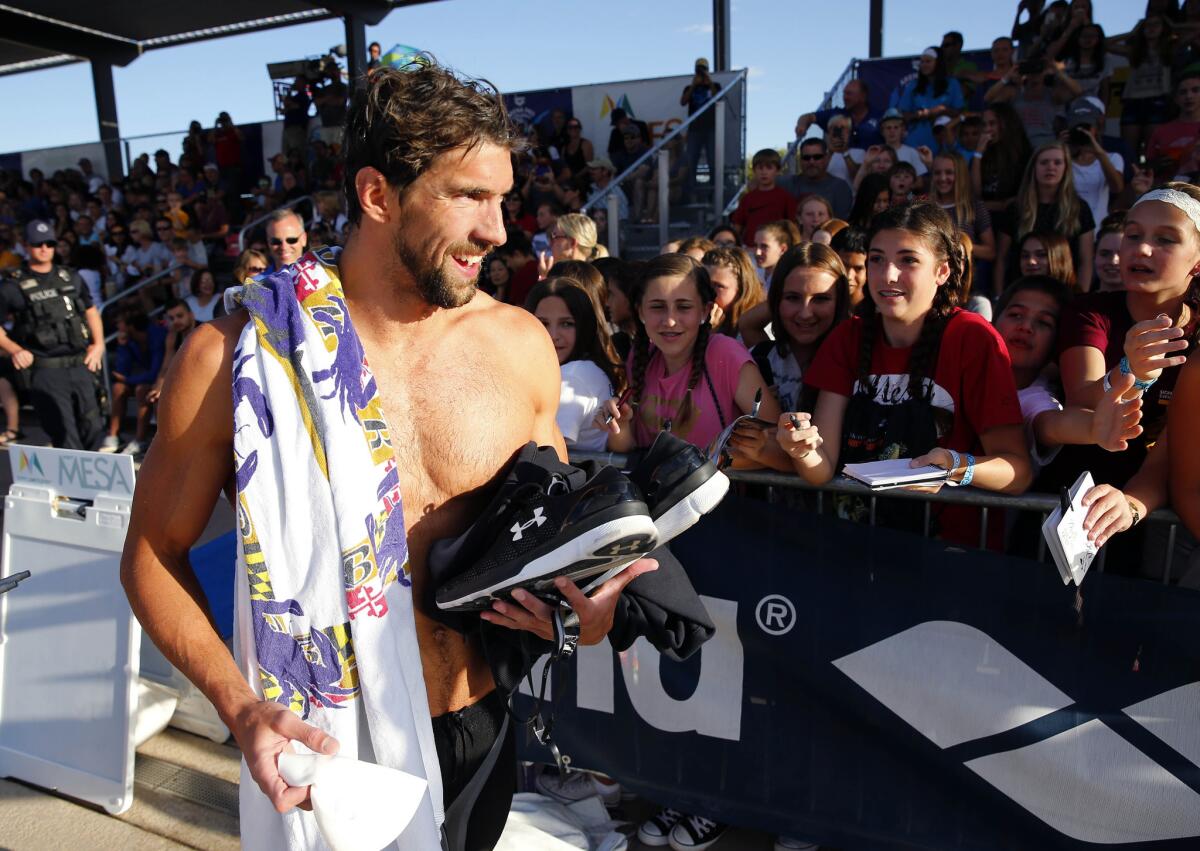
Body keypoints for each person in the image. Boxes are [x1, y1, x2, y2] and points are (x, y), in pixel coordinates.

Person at [120, 61, 655, 851]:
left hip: (477, 732)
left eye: (501, 198)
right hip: (319, 741)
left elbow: (543, 542)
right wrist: (240, 707)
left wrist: (587, 614)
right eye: (470, 196)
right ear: (377, 195)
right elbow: (151, 555)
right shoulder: (235, 360)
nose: (498, 229)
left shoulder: (518, 346)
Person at [775, 202, 1032, 540]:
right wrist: (802, 449)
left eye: (908, 260)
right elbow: (822, 468)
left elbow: (1018, 471)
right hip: (856, 547)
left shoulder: (974, 338)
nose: (888, 274)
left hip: (952, 557)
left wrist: (956, 466)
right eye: (877, 259)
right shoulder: (847, 337)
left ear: (941, 271)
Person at [993, 275, 1142, 478]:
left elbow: (1053, 424)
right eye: (1016, 315)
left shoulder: (1036, 398)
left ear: (1057, 345)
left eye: (1044, 322)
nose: (1026, 327)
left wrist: (1094, 427)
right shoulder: (960, 365)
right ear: (993, 322)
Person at [0, 220, 106, 450]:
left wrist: (98, 345)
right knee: (64, 432)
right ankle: (74, 485)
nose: (44, 249)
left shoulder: (70, 277)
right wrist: (15, 350)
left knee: (94, 426)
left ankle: (89, 482)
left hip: (80, 363)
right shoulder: (13, 286)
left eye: (49, 243)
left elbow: (90, 310)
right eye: (38, 244)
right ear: (26, 246)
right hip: (46, 368)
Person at [739, 243, 852, 413]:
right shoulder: (758, 360)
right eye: (793, 298)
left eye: (820, 299)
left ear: (840, 302)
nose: (805, 313)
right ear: (776, 300)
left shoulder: (860, 363)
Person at [527, 277, 623, 452]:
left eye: (566, 324)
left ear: (583, 328)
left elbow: (544, 452)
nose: (553, 335)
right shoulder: (583, 368)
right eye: (543, 323)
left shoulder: (572, 375)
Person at [995, 141, 1095, 294]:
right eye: (1044, 162)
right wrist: (998, 296)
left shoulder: (1079, 208)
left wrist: (1082, 298)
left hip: (1065, 291)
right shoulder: (1015, 209)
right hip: (1021, 289)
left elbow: (1085, 261)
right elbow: (1002, 259)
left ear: (1066, 168)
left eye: (1057, 162)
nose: (1051, 167)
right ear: (1033, 167)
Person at [1109, 15, 1176, 156]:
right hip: (1133, 100)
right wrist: (1132, 32)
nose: (1151, 28)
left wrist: (1173, 26)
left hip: (1158, 99)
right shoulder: (1134, 51)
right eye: (1147, 26)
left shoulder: (1170, 48)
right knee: (1128, 150)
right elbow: (1103, 44)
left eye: (1156, 24)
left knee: (1153, 149)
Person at [105, 309, 167, 456]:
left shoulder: (157, 336)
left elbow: (154, 373)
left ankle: (140, 440)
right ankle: (113, 436)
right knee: (118, 388)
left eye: (119, 323)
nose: (117, 327)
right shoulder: (130, 339)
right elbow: (122, 370)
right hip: (146, 378)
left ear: (130, 326)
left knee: (141, 390)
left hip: (162, 379)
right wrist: (123, 346)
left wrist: (127, 380)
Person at [1064, 98, 1124, 227]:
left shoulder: (1112, 158)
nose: (1082, 132)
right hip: (1067, 228)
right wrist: (1060, 149)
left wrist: (1098, 152)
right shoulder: (1061, 158)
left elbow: (1117, 188)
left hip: (1097, 229)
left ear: (1096, 127)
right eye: (1077, 127)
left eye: (1086, 127)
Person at [927, 151, 996, 261]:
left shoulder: (974, 206)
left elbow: (990, 251)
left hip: (964, 275)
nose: (943, 178)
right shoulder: (924, 206)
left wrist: (959, 246)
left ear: (960, 175)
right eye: (937, 173)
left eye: (949, 172)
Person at [895, 47, 965, 152]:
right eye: (922, 62)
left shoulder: (952, 84)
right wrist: (926, 114)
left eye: (928, 61)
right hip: (915, 142)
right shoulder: (913, 85)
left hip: (944, 141)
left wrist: (943, 110)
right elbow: (903, 116)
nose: (924, 65)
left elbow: (960, 113)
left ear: (939, 63)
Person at [730, 149, 798, 247]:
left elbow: (792, 228)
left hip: (777, 249)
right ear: (754, 170)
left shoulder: (786, 197)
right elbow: (737, 227)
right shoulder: (747, 198)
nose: (764, 172)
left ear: (778, 171)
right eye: (760, 168)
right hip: (750, 248)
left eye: (769, 168)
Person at [794, 79, 882, 149]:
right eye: (844, 93)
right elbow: (808, 117)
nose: (845, 97)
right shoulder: (836, 114)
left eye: (849, 94)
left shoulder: (879, 117)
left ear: (863, 96)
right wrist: (802, 125)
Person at [680, 57, 721, 203]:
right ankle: (692, 194)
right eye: (699, 70)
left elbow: (719, 98)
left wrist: (709, 83)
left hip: (711, 129)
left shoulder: (715, 85)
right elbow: (683, 102)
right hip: (694, 130)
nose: (701, 73)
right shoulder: (689, 87)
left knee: (713, 161)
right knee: (691, 161)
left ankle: (713, 194)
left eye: (703, 69)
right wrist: (693, 86)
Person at [1146, 70, 1200, 177]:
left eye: (1195, 90)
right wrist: (1157, 166)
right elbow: (1148, 169)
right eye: (1183, 92)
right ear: (1175, 98)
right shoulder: (1161, 132)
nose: (1189, 96)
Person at [702, 246, 765, 339]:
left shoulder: (759, 324)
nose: (707, 291)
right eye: (703, 283)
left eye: (718, 286)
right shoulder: (697, 316)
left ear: (742, 289)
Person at [784, 138, 854, 221]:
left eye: (817, 157)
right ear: (800, 160)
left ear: (826, 158)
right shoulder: (787, 184)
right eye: (806, 157)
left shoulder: (840, 187)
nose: (811, 162)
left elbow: (840, 225)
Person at [148, 299, 198, 405]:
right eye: (171, 318)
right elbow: (166, 367)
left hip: (200, 381)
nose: (175, 321)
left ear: (191, 315)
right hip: (182, 381)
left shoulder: (204, 331)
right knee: (155, 397)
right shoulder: (172, 337)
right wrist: (158, 388)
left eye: (180, 316)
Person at [753, 220, 801, 288]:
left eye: (764, 246)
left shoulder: (789, 280)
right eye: (755, 245)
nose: (757, 252)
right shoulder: (753, 274)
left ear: (782, 249)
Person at [831, 226, 869, 307]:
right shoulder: (819, 306)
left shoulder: (881, 315)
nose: (848, 276)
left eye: (858, 268)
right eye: (843, 265)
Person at [585, 158, 630, 222]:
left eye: (594, 169)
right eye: (590, 169)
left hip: (615, 228)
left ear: (605, 171)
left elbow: (622, 218)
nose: (591, 172)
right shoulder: (590, 189)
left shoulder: (616, 191)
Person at [264, 208, 308, 273]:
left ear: (304, 239)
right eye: (276, 241)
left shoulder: (324, 274)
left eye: (291, 240)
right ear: (268, 242)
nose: (284, 247)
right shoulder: (258, 283)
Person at [1094, 216, 1124, 291]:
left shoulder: (1148, 302)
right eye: (1105, 254)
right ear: (1094, 256)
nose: (1113, 261)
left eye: (1121, 254)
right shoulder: (1079, 302)